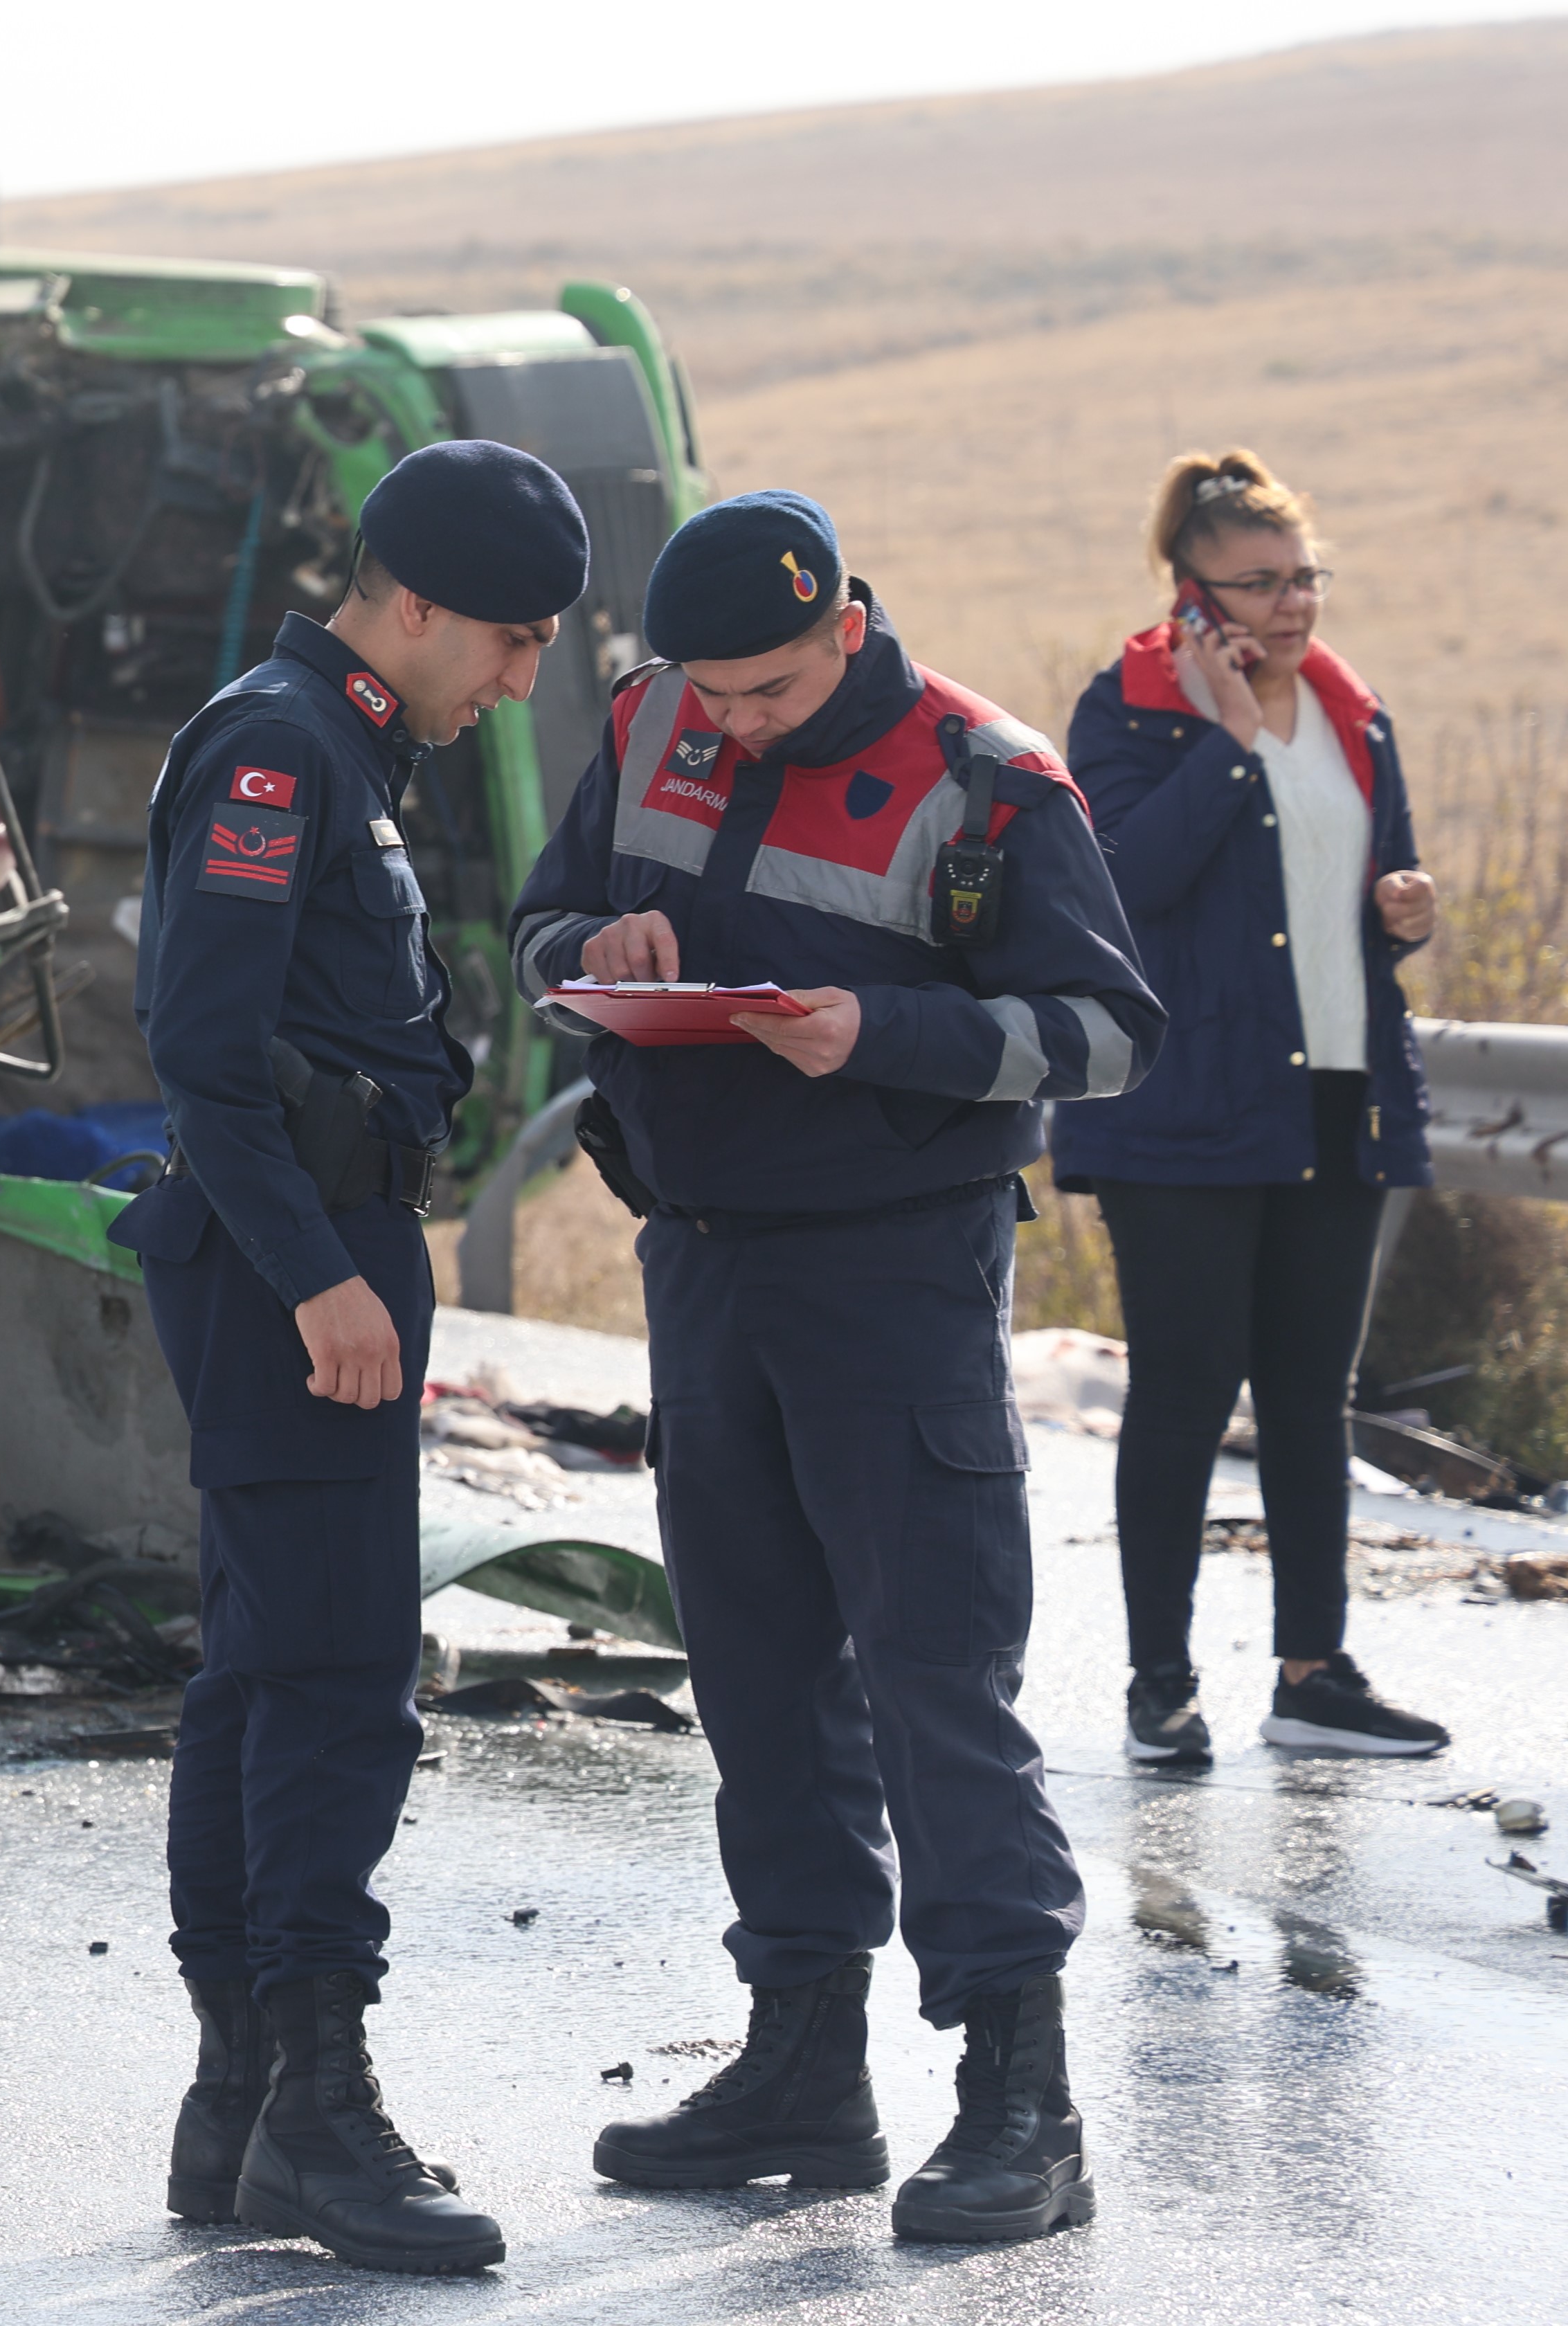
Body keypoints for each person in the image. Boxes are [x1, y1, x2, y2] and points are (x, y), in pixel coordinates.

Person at [507, 490, 1162, 2247]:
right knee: (758, 1675)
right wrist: (594, 958)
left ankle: (1022, 2093)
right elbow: (538, 924)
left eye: (773, 692)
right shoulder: (653, 714)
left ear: (848, 628)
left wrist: (882, 1029)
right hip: (702, 1262)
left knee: (935, 1672)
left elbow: (1105, 1034)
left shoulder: (988, 776)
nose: (733, 723)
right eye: (711, 692)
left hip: (896, 1271)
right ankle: (806, 2062)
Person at [117, 437, 583, 2279]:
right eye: (515, 638)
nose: (524, 678)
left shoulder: (343, 746)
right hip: (284, 1259)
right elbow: (206, 1053)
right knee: (329, 1681)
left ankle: (240, 2106)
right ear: (410, 602)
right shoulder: (276, 747)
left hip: (307, 1243)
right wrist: (322, 1279)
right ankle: (316, 2109)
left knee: (264, 1673)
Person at [1058, 450, 1447, 1762]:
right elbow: (1121, 889)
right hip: (1181, 1113)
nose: (1294, 607)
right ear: (1191, 590)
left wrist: (1398, 913)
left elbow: (1340, 899)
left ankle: (1313, 1673)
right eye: (1262, 584)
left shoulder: (1351, 709)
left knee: (1307, 1394)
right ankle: (1158, 1684)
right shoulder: (1127, 714)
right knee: (1181, 1393)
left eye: (1305, 577)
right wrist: (1228, 749)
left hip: (1334, 1097)